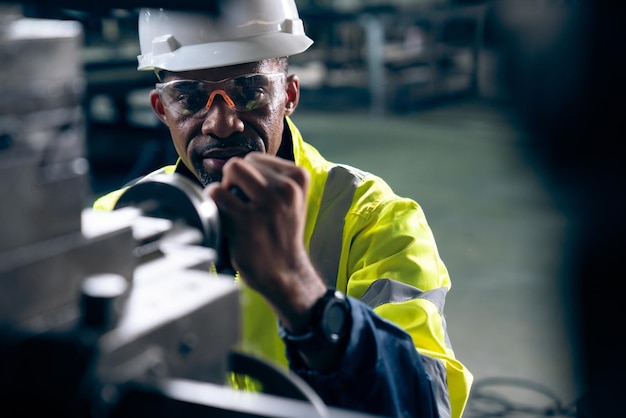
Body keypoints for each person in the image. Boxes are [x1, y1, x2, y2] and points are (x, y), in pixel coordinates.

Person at [93, 2, 473, 417]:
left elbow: (427, 401)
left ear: (288, 95)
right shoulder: (119, 219)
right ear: (161, 108)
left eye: (249, 91)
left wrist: (308, 302)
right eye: (189, 98)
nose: (221, 123)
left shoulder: (373, 219)